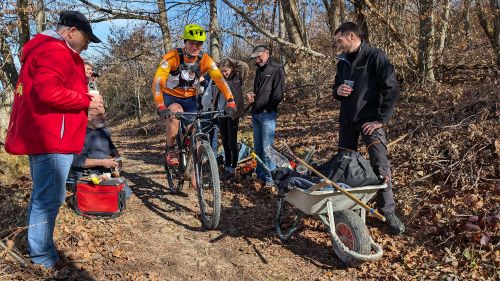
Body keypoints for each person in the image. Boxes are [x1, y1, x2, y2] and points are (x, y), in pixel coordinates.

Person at [4, 11, 103, 268]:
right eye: (86, 38)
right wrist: (86, 100)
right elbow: (49, 92)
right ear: (71, 31)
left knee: (46, 195)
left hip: (49, 134)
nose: (87, 44)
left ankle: (42, 250)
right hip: (52, 138)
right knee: (48, 197)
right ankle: (43, 258)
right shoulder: (55, 51)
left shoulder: (47, 50)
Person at [332, 22, 405, 235]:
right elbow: (335, 91)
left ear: (352, 36)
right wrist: (338, 90)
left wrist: (381, 119)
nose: (337, 45)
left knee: (380, 165)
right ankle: (348, 207)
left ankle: (388, 212)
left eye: (339, 40)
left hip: (369, 121)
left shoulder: (375, 56)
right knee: (345, 166)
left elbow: (391, 87)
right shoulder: (342, 62)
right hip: (347, 121)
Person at [152, 24, 236, 166]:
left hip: (190, 98)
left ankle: (195, 176)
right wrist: (160, 104)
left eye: (199, 44)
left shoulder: (206, 60)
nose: (195, 47)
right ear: (185, 42)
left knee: (194, 136)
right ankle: (170, 149)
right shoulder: (172, 57)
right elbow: (158, 81)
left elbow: (220, 80)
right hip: (171, 96)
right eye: (192, 43)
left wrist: (230, 100)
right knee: (175, 112)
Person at [245, 45, 285, 188]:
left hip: (267, 114)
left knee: (268, 149)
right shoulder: (258, 70)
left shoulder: (277, 68)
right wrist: (252, 97)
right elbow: (259, 92)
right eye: (255, 57)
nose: (257, 60)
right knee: (258, 149)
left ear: (267, 53)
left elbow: (278, 94)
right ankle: (261, 177)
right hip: (256, 113)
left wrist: (268, 108)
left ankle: (271, 180)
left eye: (259, 56)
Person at [70, 109, 132, 199]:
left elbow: (112, 148)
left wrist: (118, 157)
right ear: (89, 117)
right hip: (86, 175)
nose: (103, 118)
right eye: (99, 115)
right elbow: (76, 161)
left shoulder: (104, 131)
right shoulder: (79, 134)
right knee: (107, 198)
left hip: (104, 173)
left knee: (126, 194)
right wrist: (103, 162)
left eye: (104, 115)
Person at [203, 58, 248, 178]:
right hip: (220, 113)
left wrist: (232, 61)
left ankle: (233, 166)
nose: (224, 73)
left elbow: (244, 66)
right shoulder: (218, 78)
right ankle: (227, 165)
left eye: (226, 71)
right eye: (222, 71)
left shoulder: (237, 77)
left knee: (232, 141)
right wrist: (217, 66)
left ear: (232, 69)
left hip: (233, 113)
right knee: (224, 141)